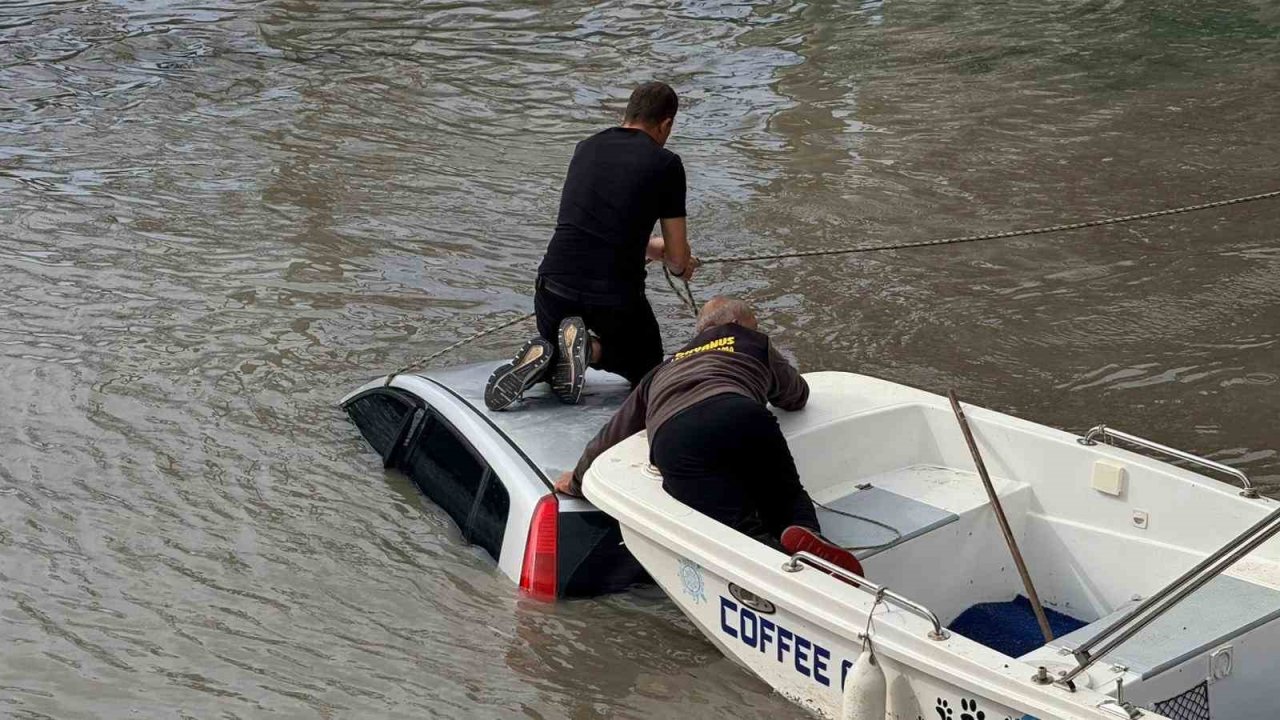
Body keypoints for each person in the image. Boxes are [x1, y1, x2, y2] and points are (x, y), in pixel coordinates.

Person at [554, 297, 863, 576]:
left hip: (678, 434)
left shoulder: (665, 366)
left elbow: (613, 432)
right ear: (738, 324)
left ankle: (780, 566)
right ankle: (809, 539)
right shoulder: (752, 343)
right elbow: (796, 396)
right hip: (741, 412)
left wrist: (578, 481)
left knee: (735, 529)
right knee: (786, 494)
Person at [484, 81, 699, 412]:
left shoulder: (585, 147)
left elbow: (597, 228)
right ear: (666, 124)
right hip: (612, 299)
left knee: (556, 341)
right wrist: (682, 264)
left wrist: (651, 249)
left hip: (552, 288)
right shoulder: (666, 164)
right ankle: (589, 352)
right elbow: (676, 259)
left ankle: (555, 353)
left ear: (627, 113)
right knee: (646, 364)